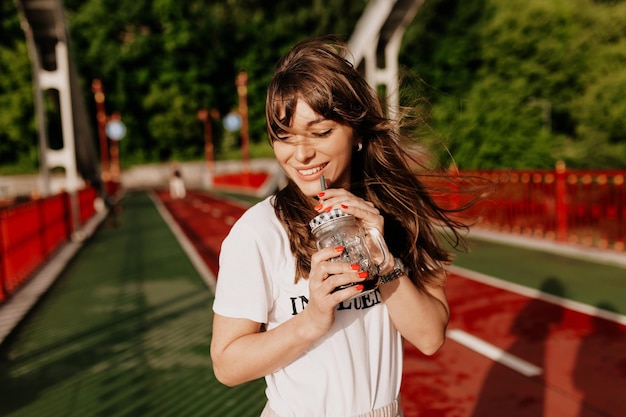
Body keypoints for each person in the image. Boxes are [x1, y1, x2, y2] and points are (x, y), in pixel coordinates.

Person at [210, 35, 468, 417]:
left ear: (358, 132)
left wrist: (385, 263)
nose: (301, 155)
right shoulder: (259, 231)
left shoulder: (397, 213)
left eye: (320, 133)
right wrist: (312, 320)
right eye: (285, 137)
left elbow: (430, 337)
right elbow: (227, 365)